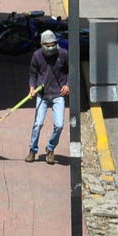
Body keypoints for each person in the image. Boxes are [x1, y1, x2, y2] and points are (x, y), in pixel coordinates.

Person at [23, 30, 69, 164]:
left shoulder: (63, 54)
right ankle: (32, 150)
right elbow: (33, 74)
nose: (50, 47)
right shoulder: (37, 55)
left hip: (58, 95)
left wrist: (68, 85)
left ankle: (50, 148)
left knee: (59, 125)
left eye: (53, 44)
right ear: (42, 44)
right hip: (42, 95)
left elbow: (72, 71)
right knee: (37, 124)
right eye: (47, 45)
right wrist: (32, 87)